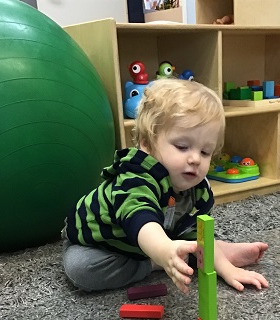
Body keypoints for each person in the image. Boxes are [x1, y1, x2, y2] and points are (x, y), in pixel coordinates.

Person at [62, 78, 269, 294]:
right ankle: (163, 261)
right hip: (99, 242)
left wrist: (228, 269)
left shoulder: (198, 190)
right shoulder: (136, 176)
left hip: (155, 240)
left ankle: (202, 252)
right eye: (182, 146)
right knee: (81, 269)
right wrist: (164, 252)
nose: (195, 159)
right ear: (147, 144)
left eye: (205, 152)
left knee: (188, 241)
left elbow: (194, 231)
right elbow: (141, 219)